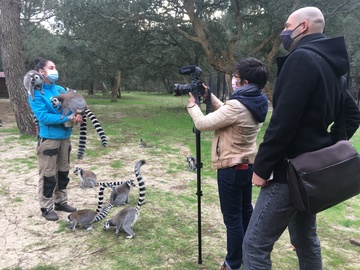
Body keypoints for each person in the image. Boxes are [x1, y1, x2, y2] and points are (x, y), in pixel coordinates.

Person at [243, 7, 360, 269]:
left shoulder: (302, 59)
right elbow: (352, 115)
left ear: (303, 26)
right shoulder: (335, 65)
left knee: (254, 245)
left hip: (288, 171)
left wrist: (262, 168)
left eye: (287, 25)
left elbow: (283, 122)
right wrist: (327, 149)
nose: (284, 31)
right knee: (306, 240)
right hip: (312, 174)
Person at [187, 57, 269, 270]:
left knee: (232, 219)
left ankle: (232, 263)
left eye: (236, 77)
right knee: (244, 212)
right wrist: (210, 96)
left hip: (231, 168)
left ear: (245, 82)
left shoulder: (238, 104)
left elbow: (202, 123)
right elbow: (229, 112)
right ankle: (245, 254)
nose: (233, 80)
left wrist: (192, 106)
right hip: (247, 165)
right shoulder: (258, 100)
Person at [28, 57, 83, 221]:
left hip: (65, 138)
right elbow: (43, 116)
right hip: (49, 139)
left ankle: (60, 201)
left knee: (63, 172)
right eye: (51, 67)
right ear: (41, 72)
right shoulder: (35, 93)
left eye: (55, 67)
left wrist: (77, 115)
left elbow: (73, 107)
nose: (55, 70)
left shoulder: (59, 89)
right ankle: (46, 207)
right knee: (48, 174)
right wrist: (65, 118)